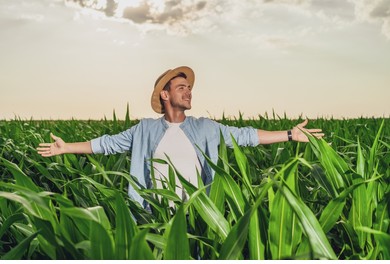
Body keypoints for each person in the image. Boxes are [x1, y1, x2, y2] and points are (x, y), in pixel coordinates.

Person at [37, 66, 324, 210]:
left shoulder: (207, 128)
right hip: (154, 215)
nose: (189, 92)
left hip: (199, 216)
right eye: (182, 87)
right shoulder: (144, 130)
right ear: (165, 94)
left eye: (190, 88)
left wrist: (289, 134)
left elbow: (246, 136)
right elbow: (106, 144)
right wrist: (66, 148)